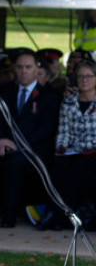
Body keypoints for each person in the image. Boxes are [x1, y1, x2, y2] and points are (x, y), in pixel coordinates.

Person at [0, 49, 60, 228]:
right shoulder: (4, 91)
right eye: (20, 67)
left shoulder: (48, 96)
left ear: (37, 69)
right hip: (4, 146)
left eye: (28, 67)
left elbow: (44, 130)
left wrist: (17, 145)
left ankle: (10, 213)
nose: (24, 71)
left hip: (32, 151)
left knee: (16, 163)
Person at [39, 59, 96, 229]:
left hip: (93, 153)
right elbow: (63, 132)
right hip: (73, 150)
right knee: (59, 167)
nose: (84, 80)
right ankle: (57, 213)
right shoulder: (68, 103)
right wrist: (61, 149)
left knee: (79, 170)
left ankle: (59, 216)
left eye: (89, 76)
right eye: (80, 77)